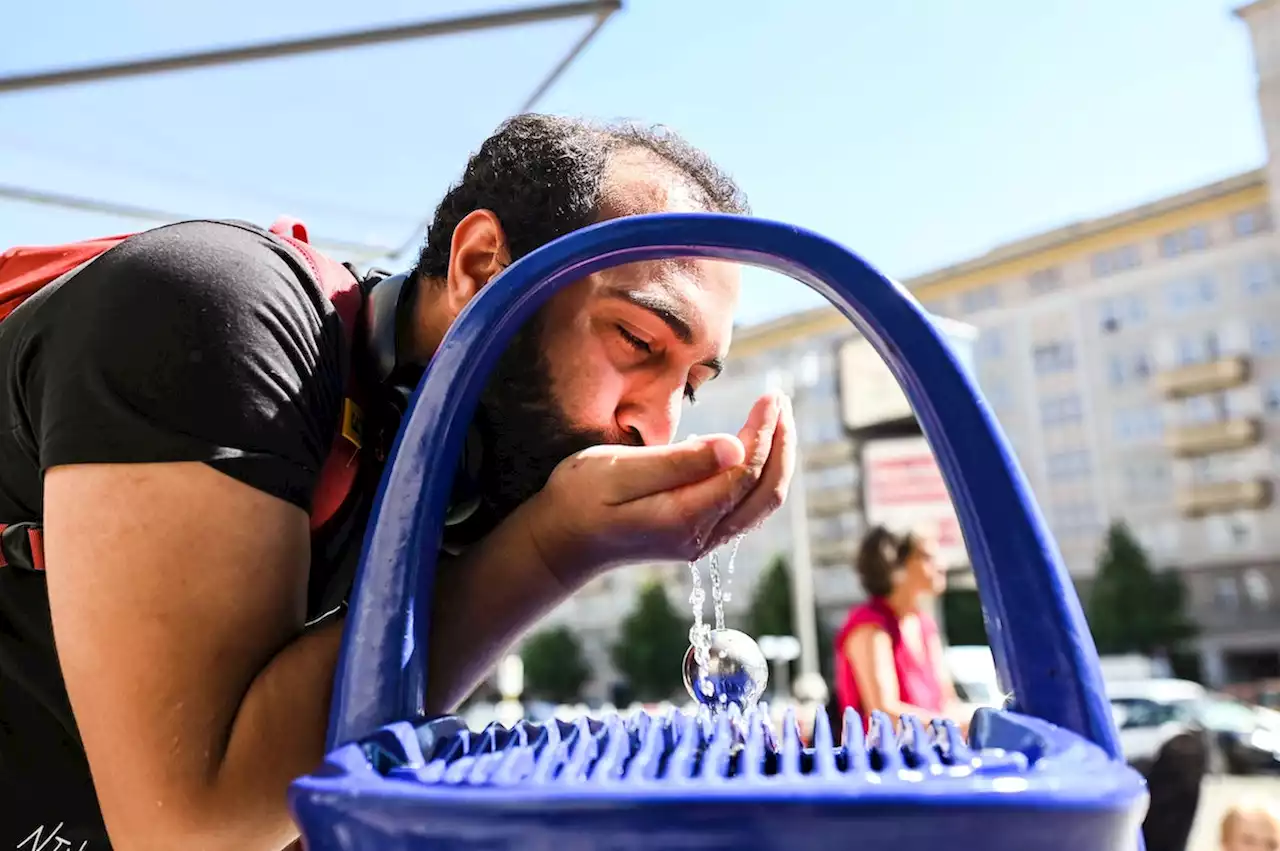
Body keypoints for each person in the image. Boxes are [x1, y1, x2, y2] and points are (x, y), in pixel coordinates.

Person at [0, 114, 796, 851]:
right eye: (635, 339)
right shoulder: (220, 315)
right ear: (482, 264)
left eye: (689, 385)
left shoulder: (461, 482)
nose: (656, 426)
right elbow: (192, 826)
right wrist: (550, 550)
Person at [833, 526, 972, 734]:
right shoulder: (869, 625)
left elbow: (947, 701)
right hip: (885, 762)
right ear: (896, 566)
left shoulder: (924, 624)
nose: (942, 565)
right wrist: (955, 727)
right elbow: (883, 714)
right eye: (927, 557)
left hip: (931, 756)